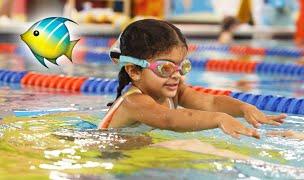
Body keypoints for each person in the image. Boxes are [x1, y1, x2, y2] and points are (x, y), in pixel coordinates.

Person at [100, 19, 286, 140]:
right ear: (134, 71)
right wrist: (219, 119)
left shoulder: (174, 90)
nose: (176, 74)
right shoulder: (134, 101)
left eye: (182, 66)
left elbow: (211, 102)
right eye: (166, 68)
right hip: (111, 153)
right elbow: (169, 120)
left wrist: (244, 108)